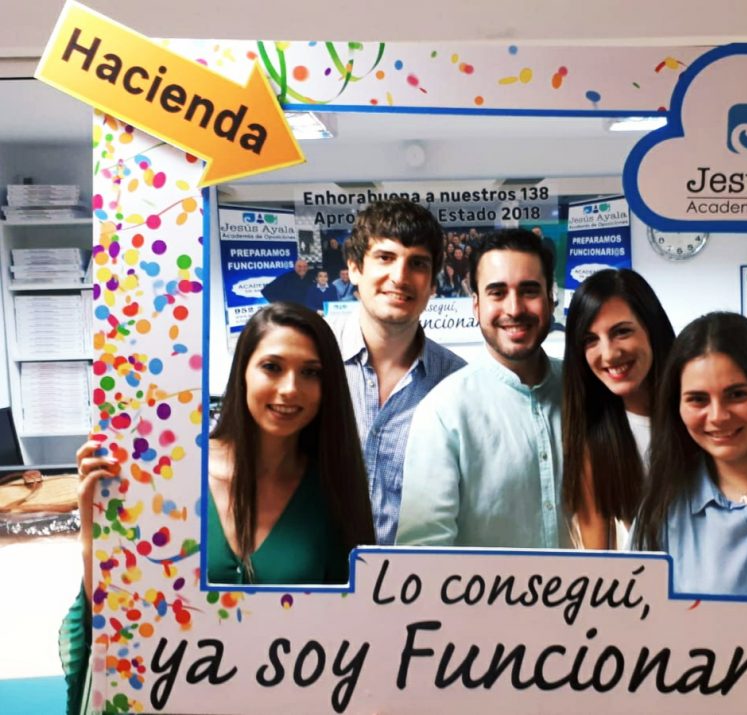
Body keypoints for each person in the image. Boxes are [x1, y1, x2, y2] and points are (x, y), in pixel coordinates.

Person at [65, 303, 376, 713]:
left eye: (311, 373)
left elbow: (351, 636)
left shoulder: (333, 492)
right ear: (242, 372)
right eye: (272, 367)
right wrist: (94, 537)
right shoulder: (169, 476)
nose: (290, 388)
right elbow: (114, 614)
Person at [397, 227, 571, 548]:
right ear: (476, 305)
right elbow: (422, 554)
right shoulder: (444, 412)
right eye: (497, 292)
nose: (514, 309)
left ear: (550, 299)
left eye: (529, 291)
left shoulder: (586, 391)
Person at [632, 311, 747, 597]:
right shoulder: (660, 508)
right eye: (698, 399)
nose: (718, 416)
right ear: (676, 407)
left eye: (737, 394)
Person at [340, 198, 466, 545]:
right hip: (315, 575)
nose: (400, 277)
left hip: (415, 576)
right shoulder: (311, 362)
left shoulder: (458, 384)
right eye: (385, 257)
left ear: (432, 283)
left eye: (418, 263)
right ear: (354, 268)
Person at [562, 269, 675, 549]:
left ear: (652, 328)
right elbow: (599, 558)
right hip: (648, 575)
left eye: (622, 332)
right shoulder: (593, 439)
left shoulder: (699, 414)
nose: (609, 354)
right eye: (590, 340)